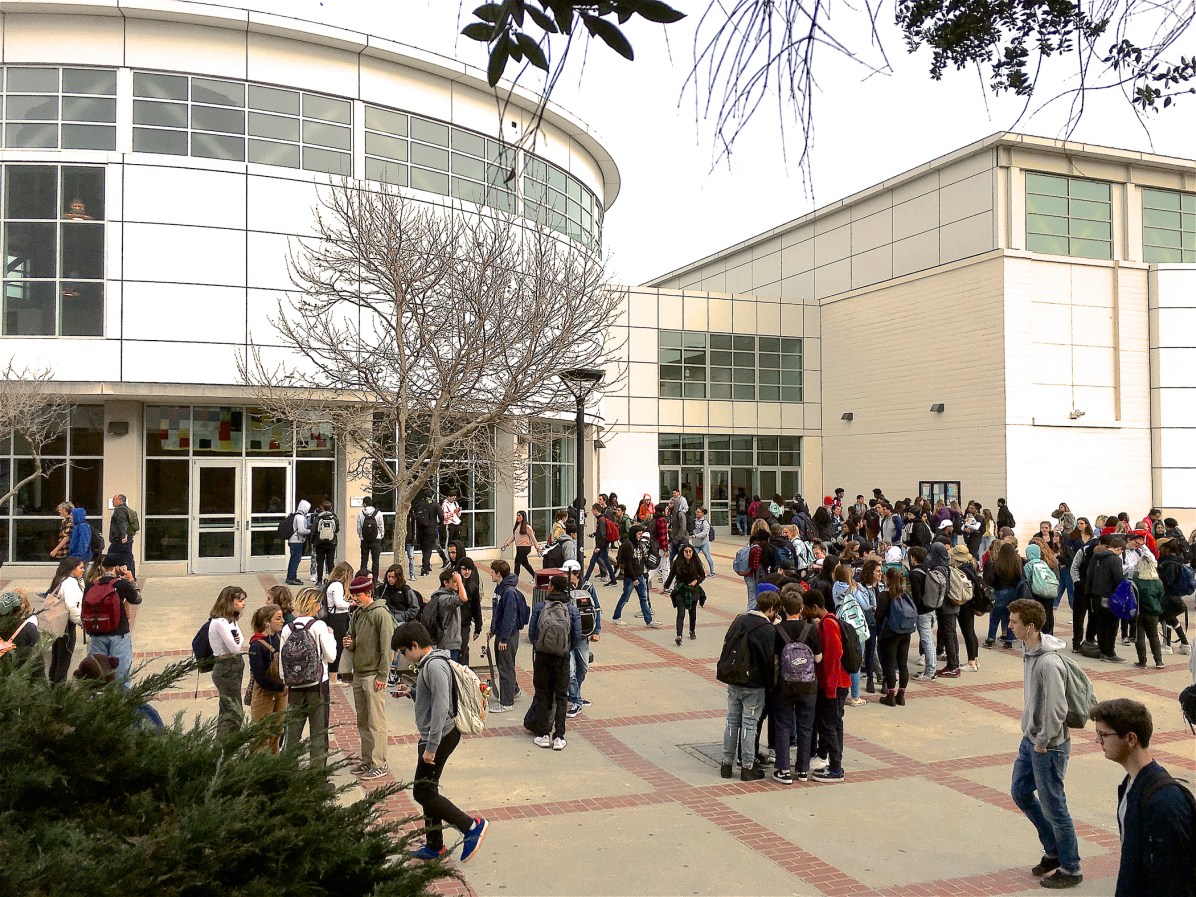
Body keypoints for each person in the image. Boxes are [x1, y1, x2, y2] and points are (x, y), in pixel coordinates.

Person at [390, 620, 490, 863]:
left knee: (422, 792)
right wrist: (411, 692)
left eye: (404, 652)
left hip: (440, 736)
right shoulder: (430, 664)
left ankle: (471, 826)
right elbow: (432, 696)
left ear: (414, 645)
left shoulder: (434, 666)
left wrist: (431, 748)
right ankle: (435, 846)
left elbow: (441, 707)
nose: (404, 657)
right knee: (428, 790)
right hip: (436, 735)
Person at [1007, 598, 1082, 890]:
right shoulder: (1029, 652)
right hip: (1031, 741)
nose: (1010, 625)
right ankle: (1053, 851)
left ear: (1031, 626)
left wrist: (1042, 741)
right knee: (1021, 792)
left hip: (1047, 745)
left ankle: (1071, 867)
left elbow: (1056, 709)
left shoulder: (1048, 662)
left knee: (1055, 807)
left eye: (1014, 622)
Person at [1089, 698, 1196, 897]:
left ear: (1131, 739)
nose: (1098, 741)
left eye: (1103, 734)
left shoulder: (1164, 801)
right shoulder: (1130, 785)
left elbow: (1173, 879)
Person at [717, 589, 780, 781]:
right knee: (749, 724)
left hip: (733, 679)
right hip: (754, 684)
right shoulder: (767, 629)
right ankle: (747, 766)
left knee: (732, 721)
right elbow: (769, 660)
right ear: (770, 609)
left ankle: (726, 764)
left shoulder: (739, 620)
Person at [344, 574, 395, 780]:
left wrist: (383, 674)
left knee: (376, 722)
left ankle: (379, 762)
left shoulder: (380, 615)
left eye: (357, 595)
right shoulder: (357, 614)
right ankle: (367, 760)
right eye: (353, 595)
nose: (354, 599)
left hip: (374, 675)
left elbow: (387, 648)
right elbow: (353, 637)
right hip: (359, 673)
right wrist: (350, 643)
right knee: (363, 721)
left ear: (368, 593)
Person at [280, 587, 337, 769]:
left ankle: (289, 771)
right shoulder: (318, 626)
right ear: (316, 605)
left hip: (294, 687)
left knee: (292, 731)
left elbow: (282, 664)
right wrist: (332, 637)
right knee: (318, 732)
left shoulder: (287, 628)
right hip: (317, 685)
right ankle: (317, 776)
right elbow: (331, 656)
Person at [770, 587, 821, 783]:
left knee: (783, 724)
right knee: (805, 726)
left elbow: (774, 658)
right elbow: (818, 658)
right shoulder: (811, 629)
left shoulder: (777, 630)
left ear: (783, 609)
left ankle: (783, 769)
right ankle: (802, 769)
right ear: (801, 608)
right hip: (808, 686)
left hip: (784, 685)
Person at [527, 574, 582, 750]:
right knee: (561, 696)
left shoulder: (540, 607)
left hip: (542, 657)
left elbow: (531, 634)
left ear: (551, 587)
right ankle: (559, 736)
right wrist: (565, 649)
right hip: (562, 657)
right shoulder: (571, 609)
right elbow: (577, 636)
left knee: (542, 694)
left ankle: (543, 734)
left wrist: (541, 646)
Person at [804, 588, 851, 782]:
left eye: (807, 609)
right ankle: (835, 763)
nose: (806, 613)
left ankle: (836, 768)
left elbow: (833, 656)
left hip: (834, 683)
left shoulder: (829, 624)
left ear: (815, 607)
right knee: (835, 723)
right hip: (838, 682)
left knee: (829, 725)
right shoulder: (828, 621)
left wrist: (830, 688)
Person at [85, 554, 143, 684]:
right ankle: (121, 702)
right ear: (117, 568)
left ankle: (97, 700)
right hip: (119, 633)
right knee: (121, 675)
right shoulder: (121, 585)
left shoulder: (91, 586)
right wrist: (131, 580)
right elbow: (137, 599)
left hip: (97, 634)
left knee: (97, 673)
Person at [207, 585, 248, 736]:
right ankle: (226, 745)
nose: (243, 604)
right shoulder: (219, 622)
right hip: (225, 666)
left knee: (228, 710)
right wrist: (237, 640)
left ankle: (225, 744)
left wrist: (238, 640)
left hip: (235, 664)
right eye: (239, 600)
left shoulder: (231, 620)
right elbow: (235, 647)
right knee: (234, 712)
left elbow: (241, 638)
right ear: (229, 602)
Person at [247, 603, 288, 754]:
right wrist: (281, 687)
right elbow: (260, 677)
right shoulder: (256, 646)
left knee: (277, 734)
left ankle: (274, 763)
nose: (282, 621)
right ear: (267, 622)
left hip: (281, 694)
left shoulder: (277, 638)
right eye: (278, 618)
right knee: (262, 734)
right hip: (264, 695)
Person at [486, 559, 524, 712]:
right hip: (501, 633)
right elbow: (497, 613)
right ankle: (513, 690)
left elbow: (509, 617)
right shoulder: (499, 589)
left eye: (492, 572)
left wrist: (504, 639)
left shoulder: (508, 592)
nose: (490, 574)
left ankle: (507, 703)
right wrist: (492, 629)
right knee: (505, 665)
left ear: (499, 574)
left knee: (505, 668)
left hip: (507, 636)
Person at [612, 525, 661, 628]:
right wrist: (634, 578)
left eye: (641, 534)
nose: (640, 536)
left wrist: (645, 572)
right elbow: (628, 563)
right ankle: (616, 617)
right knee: (625, 597)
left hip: (640, 575)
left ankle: (649, 621)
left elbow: (642, 560)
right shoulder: (628, 545)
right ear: (634, 533)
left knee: (644, 598)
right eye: (639, 534)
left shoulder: (639, 545)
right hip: (631, 577)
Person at [877, 567, 914, 706]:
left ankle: (890, 695)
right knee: (903, 663)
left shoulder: (885, 595)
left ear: (887, 579)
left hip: (890, 633)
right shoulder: (905, 594)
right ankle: (901, 695)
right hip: (905, 632)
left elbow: (879, 615)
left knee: (890, 663)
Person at [46, 556, 86, 683]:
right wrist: (80, 621)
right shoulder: (70, 583)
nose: (83, 570)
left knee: (56, 655)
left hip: (57, 623)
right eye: (80, 568)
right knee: (64, 658)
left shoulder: (60, 580)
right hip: (67, 625)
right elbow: (71, 605)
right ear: (71, 570)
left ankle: (53, 683)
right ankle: (59, 687)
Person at [664, 542, 706, 645]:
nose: (688, 553)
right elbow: (671, 576)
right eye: (686, 551)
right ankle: (679, 635)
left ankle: (692, 631)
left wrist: (696, 581)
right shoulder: (677, 563)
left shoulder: (696, 562)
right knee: (681, 613)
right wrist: (665, 587)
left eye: (690, 551)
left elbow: (702, 575)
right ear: (682, 553)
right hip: (680, 590)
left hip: (693, 591)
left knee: (692, 613)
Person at [984, 542, 1023, 649]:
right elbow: (1020, 578)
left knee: (995, 616)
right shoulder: (1016, 564)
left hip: (999, 591)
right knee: (1010, 617)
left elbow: (990, 579)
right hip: (1013, 592)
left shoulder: (996, 563)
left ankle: (991, 638)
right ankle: (1009, 640)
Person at [1130, 554, 1165, 669]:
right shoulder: (1158, 581)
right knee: (1154, 636)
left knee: (1139, 637)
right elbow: (1161, 596)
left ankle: (1142, 661)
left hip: (1138, 611)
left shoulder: (1136, 578)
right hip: (1153, 611)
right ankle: (1159, 661)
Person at [324, 561, 354, 683]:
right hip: (338, 619)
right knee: (338, 647)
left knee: (336, 645)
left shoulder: (330, 584)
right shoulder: (337, 585)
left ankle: (334, 676)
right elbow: (339, 604)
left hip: (334, 618)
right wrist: (350, 604)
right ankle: (333, 677)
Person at [501, 511, 541, 582]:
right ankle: (536, 577)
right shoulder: (517, 526)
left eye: (519, 516)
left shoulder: (527, 527)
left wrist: (537, 548)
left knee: (517, 563)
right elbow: (513, 537)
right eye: (517, 515)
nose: (518, 517)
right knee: (525, 563)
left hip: (525, 547)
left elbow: (533, 538)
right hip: (519, 547)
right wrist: (506, 544)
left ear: (523, 517)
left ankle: (515, 579)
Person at [308, 500, 339, 582]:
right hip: (331, 543)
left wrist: (312, 541)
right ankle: (331, 580)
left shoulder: (318, 518)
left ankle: (319, 581)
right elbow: (337, 530)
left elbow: (313, 530)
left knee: (320, 563)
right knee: (330, 562)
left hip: (319, 543)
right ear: (331, 508)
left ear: (322, 508)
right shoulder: (334, 518)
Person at [357, 496, 386, 581]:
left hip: (364, 540)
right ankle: (375, 579)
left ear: (365, 504)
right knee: (375, 561)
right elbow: (381, 527)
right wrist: (380, 536)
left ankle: (363, 578)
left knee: (364, 560)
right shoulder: (379, 513)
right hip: (376, 540)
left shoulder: (360, 513)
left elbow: (359, 528)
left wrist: (361, 536)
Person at [107, 493, 136, 576]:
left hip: (120, 540)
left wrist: (123, 535)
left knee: (110, 558)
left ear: (120, 500)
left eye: (114, 500)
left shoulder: (119, 510)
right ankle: (131, 576)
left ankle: (109, 575)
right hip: (128, 539)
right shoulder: (126, 509)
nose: (112, 501)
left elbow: (122, 522)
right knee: (128, 558)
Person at [285, 499, 311, 585]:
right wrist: (309, 531)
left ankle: (292, 576)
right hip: (297, 541)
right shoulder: (300, 517)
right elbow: (301, 530)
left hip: (294, 540)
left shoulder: (297, 515)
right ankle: (291, 577)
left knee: (294, 559)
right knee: (295, 559)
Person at [691, 506, 716, 576]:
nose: (697, 513)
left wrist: (695, 535)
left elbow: (704, 533)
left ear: (702, 513)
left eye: (699, 512)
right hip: (696, 543)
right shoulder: (694, 521)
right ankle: (694, 571)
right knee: (693, 557)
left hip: (704, 543)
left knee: (708, 557)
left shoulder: (705, 523)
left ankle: (712, 571)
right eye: (696, 512)